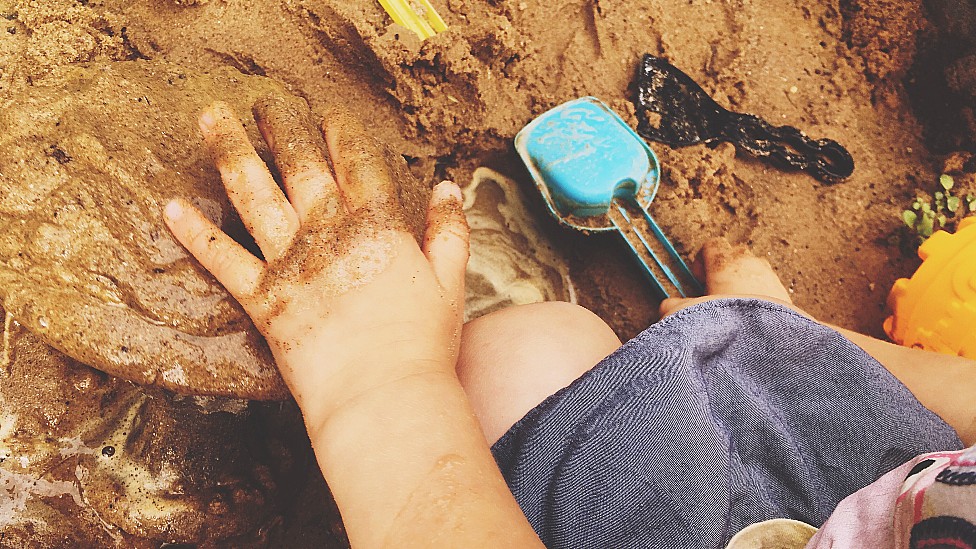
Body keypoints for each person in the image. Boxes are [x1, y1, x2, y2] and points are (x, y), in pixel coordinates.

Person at [163, 95, 976, 548]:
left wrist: (378, 381)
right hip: (876, 487)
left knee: (504, 361)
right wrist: (796, 339)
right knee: (543, 342)